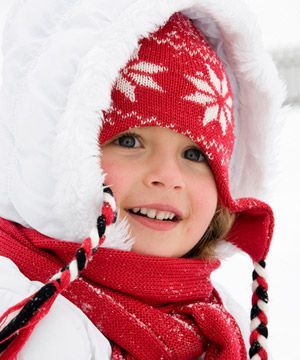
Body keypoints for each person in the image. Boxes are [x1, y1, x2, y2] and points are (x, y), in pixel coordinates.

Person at [0, 2, 285, 359]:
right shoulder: (22, 318)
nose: (168, 177)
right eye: (129, 141)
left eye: (195, 154)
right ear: (58, 156)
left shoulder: (223, 323)